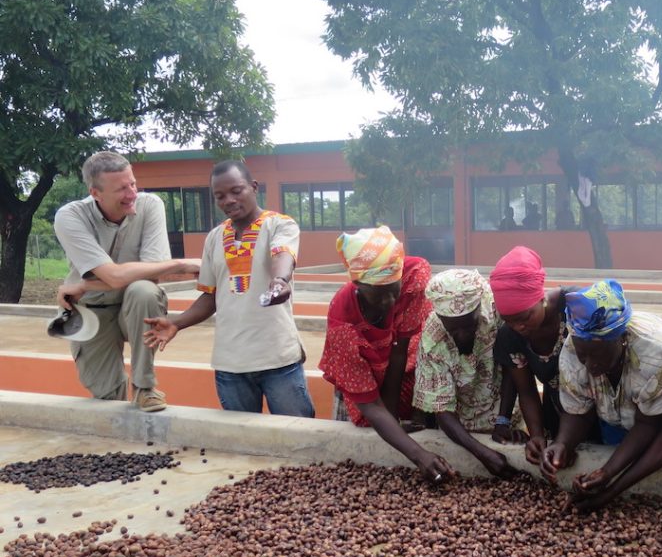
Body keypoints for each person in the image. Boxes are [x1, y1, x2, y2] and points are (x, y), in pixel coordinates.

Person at [142, 161, 314, 418]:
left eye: (236, 191)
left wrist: (280, 281)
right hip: (230, 364)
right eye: (220, 196)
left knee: (297, 432)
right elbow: (211, 295)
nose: (229, 200)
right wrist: (176, 323)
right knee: (241, 436)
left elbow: (283, 253)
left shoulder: (279, 225)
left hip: (278, 358)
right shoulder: (214, 237)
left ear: (254, 187)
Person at [541, 280, 662, 511]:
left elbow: (648, 424)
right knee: (620, 465)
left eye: (598, 355)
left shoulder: (654, 354)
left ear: (621, 339)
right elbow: (578, 411)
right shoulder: (572, 350)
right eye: (584, 356)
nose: (590, 365)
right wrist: (563, 443)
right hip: (617, 410)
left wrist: (609, 473)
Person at [54, 151, 201, 411]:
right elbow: (112, 276)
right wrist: (181, 264)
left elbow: (152, 275)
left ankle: (145, 386)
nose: (132, 193)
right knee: (107, 399)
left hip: (133, 306)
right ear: (96, 193)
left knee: (144, 290)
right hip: (91, 311)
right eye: (121, 189)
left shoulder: (150, 205)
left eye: (132, 183)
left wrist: (86, 285)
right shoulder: (71, 216)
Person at [319, 225, 455, 483]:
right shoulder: (343, 321)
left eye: (394, 290)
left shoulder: (413, 277)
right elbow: (369, 404)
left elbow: (399, 352)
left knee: (398, 422)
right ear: (358, 284)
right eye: (379, 295)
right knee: (362, 437)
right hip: (360, 378)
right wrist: (418, 455)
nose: (390, 302)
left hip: (398, 369)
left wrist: (393, 419)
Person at [414, 268, 528, 480]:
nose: (462, 335)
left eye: (468, 326)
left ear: (478, 308)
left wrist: (503, 422)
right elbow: (442, 408)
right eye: (453, 330)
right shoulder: (432, 340)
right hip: (460, 429)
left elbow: (513, 368)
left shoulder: (496, 311)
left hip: (507, 417)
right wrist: (482, 453)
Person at [489, 246, 599, 463]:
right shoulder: (509, 336)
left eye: (525, 317)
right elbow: (527, 390)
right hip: (557, 412)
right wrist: (537, 435)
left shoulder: (579, 308)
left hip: (600, 411)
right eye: (509, 320)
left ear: (540, 298)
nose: (518, 327)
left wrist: (567, 441)